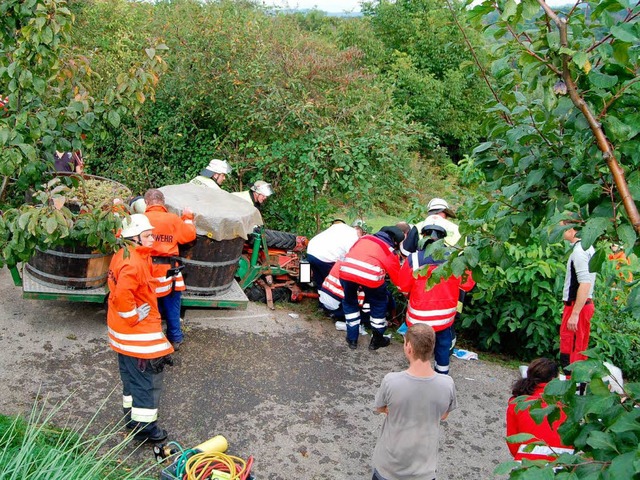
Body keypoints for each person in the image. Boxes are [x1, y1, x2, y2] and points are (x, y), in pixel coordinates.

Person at [107, 214, 174, 443]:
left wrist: (164, 272)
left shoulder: (125, 255)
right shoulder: (133, 262)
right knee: (147, 381)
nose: (152, 238)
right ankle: (146, 430)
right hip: (137, 336)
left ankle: (131, 418)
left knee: (131, 379)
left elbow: (129, 287)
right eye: (147, 235)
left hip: (123, 335)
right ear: (133, 238)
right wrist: (134, 315)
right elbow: (124, 293)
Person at [372, 324, 457, 480]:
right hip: (424, 469)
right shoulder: (447, 384)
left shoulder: (391, 381)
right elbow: (444, 415)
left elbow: (381, 408)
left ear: (409, 347)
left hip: (389, 467)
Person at [398, 217, 475, 375]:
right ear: (443, 239)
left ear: (423, 237)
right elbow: (467, 284)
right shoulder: (456, 260)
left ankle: (416, 375)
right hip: (444, 318)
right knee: (443, 347)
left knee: (417, 349)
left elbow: (402, 286)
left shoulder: (413, 259)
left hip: (417, 318)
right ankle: (441, 378)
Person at [143, 189, 196, 351]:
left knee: (151, 306)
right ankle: (175, 338)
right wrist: (187, 217)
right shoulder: (173, 219)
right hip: (170, 272)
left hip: (147, 271)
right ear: (163, 202)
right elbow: (189, 235)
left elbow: (120, 233)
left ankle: (154, 338)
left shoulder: (140, 219)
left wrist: (117, 209)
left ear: (146, 203)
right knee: (173, 304)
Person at [339, 226, 404, 350]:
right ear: (395, 242)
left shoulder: (363, 238)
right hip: (371, 276)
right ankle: (376, 340)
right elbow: (397, 279)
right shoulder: (389, 250)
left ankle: (352, 339)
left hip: (346, 271)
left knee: (350, 302)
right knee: (378, 304)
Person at [506, 358, 573, 461]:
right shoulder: (568, 403)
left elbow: (513, 442)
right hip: (563, 463)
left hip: (526, 461)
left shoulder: (517, 403)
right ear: (554, 379)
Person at [559, 215, 596, 375]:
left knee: (573, 350)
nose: (560, 231)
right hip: (579, 304)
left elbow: (585, 283)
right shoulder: (585, 247)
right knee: (574, 347)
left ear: (570, 229)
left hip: (578, 305)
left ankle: (571, 388)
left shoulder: (580, 251)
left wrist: (575, 313)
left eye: (561, 227)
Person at [307, 220, 362, 290]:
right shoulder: (353, 235)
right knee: (333, 281)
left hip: (311, 251)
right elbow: (351, 256)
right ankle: (330, 294)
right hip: (325, 257)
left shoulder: (338, 228)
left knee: (319, 279)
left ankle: (320, 292)